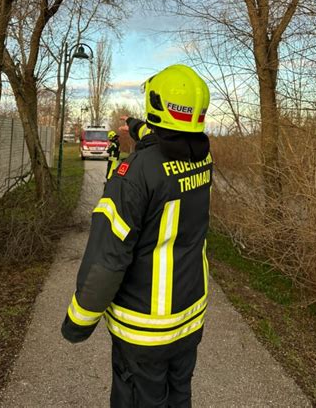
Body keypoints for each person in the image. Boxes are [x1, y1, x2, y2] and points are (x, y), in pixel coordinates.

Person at [61, 64, 212, 407]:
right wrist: (134, 127)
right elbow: (165, 143)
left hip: (145, 331)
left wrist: (78, 322)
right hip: (189, 320)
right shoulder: (204, 158)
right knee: (179, 397)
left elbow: (107, 259)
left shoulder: (132, 176)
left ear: (157, 105)